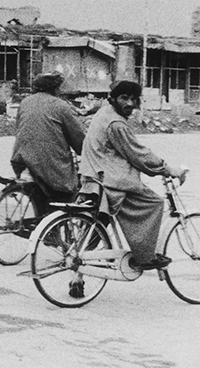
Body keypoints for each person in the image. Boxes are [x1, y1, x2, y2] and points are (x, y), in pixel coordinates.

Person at [78, 79, 188, 271]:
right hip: (110, 182)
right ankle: (144, 256)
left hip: (92, 176)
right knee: (154, 202)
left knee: (97, 227)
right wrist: (167, 169)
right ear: (112, 98)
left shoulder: (103, 113)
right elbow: (138, 154)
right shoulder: (116, 124)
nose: (129, 103)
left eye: (133, 99)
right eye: (124, 98)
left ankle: (77, 276)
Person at [10, 71, 85, 219]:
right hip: (48, 163)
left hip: (21, 159)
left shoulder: (26, 102)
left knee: (42, 189)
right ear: (56, 88)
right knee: (66, 191)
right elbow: (79, 139)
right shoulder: (61, 106)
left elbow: (19, 128)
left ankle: (43, 220)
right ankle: (54, 226)